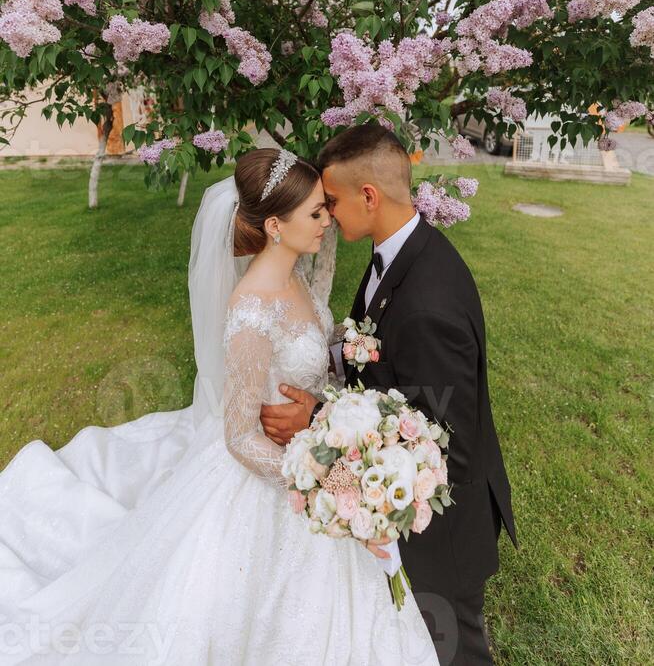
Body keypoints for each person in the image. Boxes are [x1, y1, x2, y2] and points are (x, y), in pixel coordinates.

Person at [0, 147, 438, 665]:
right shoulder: (252, 309)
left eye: (326, 208)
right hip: (276, 473)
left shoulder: (297, 274)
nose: (328, 221)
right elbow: (238, 437)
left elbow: (313, 348)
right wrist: (322, 480)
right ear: (275, 225)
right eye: (316, 213)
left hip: (314, 446)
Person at [261, 124, 517, 666]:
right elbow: (382, 357)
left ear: (368, 197)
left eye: (330, 202)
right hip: (408, 515)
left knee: (453, 648)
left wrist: (323, 418)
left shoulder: (428, 303)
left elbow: (444, 439)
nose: (326, 215)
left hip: (439, 532)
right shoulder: (398, 253)